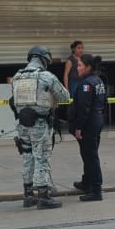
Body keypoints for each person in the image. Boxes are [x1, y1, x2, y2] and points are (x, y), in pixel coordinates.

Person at [11, 45, 70, 209]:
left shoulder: (17, 76)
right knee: (42, 157)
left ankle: (28, 195)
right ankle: (43, 196)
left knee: (27, 157)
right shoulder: (46, 76)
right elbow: (65, 96)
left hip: (22, 124)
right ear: (44, 59)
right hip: (39, 124)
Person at [68, 54, 106, 202]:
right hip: (97, 120)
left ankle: (96, 190)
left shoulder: (86, 84)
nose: (77, 68)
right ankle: (86, 182)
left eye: (79, 65)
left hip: (89, 124)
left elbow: (83, 109)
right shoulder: (98, 81)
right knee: (88, 154)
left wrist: (78, 128)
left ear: (88, 67)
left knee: (90, 156)